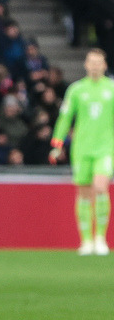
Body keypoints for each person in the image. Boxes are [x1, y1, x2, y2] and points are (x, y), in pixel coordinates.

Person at [49, 48, 114, 255]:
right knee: (84, 193)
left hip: (106, 147)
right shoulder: (76, 89)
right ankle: (86, 241)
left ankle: (101, 238)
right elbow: (65, 118)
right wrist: (57, 144)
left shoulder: (112, 88)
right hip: (82, 148)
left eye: (98, 62)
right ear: (86, 65)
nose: (95, 66)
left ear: (104, 65)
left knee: (101, 187)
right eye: (91, 62)